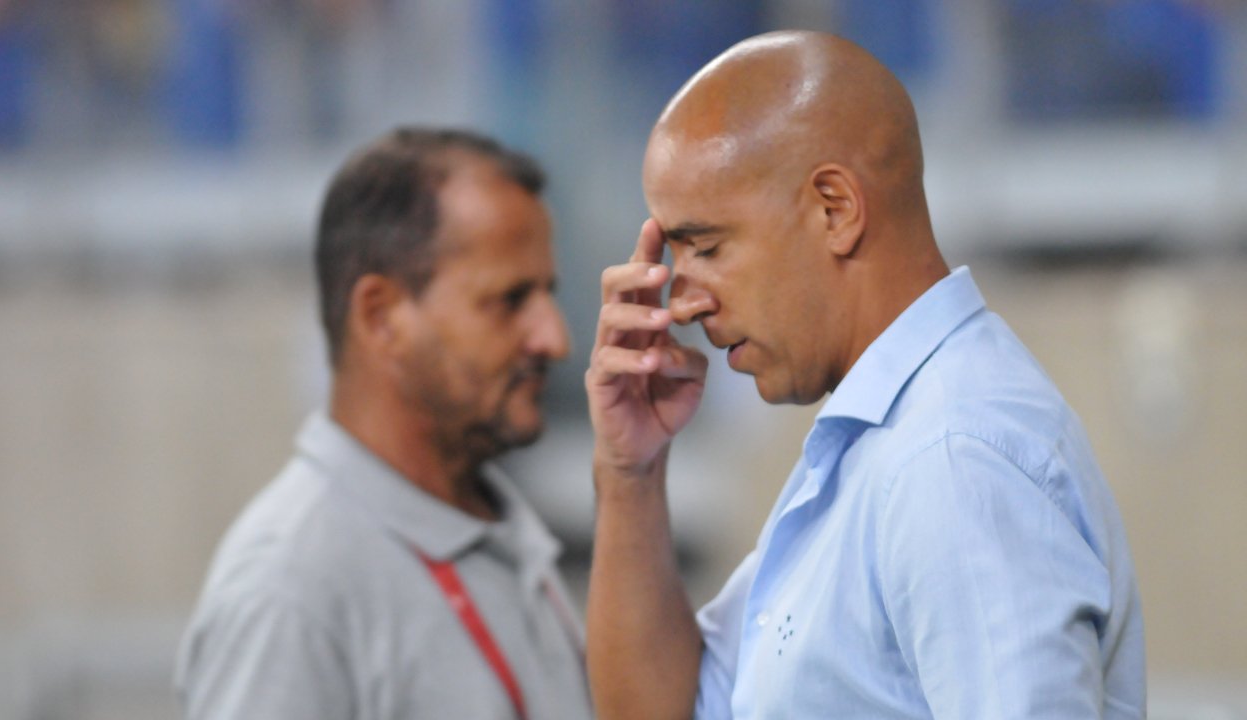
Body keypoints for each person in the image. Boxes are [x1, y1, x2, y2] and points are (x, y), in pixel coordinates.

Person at [585, 31, 1145, 719]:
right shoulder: (882, 444)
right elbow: (666, 709)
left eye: (705, 247)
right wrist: (629, 472)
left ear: (835, 209)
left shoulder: (951, 457)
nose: (685, 301)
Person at [176, 127, 592, 720]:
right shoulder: (291, 592)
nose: (554, 339)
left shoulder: (501, 532)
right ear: (381, 316)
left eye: (548, 295)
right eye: (509, 299)